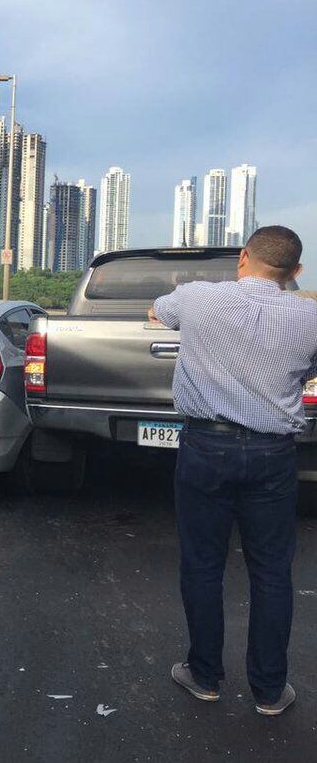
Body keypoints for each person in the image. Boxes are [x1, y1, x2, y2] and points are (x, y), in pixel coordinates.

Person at [151, 226, 317, 716]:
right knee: (271, 571)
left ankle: (204, 676)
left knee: (203, 564)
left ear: (243, 257)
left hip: (206, 446)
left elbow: (157, 311)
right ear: (296, 270)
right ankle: (269, 691)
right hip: (273, 453)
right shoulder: (310, 314)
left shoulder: (199, 297)